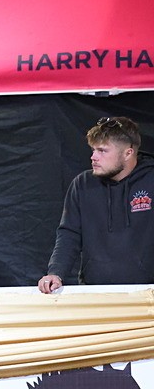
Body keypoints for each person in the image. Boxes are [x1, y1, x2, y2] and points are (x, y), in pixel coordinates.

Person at [39, 117, 154, 293]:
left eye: (102, 150)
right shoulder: (82, 184)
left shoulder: (151, 180)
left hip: (148, 294)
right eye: (93, 150)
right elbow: (69, 234)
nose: (93, 157)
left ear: (128, 153)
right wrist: (56, 272)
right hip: (94, 293)